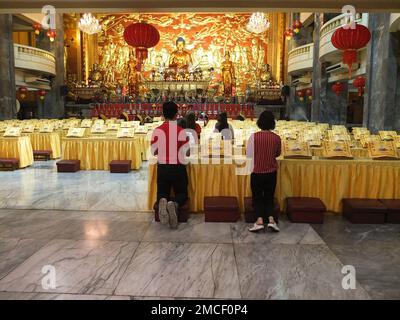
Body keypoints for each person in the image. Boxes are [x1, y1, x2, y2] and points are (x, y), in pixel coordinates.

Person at [151, 101, 189, 229]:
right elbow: (186, 152)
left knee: (162, 191)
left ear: (163, 113)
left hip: (162, 166)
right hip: (177, 167)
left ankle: (163, 200)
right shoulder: (180, 131)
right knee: (182, 193)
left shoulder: (157, 130)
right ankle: (176, 204)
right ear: (176, 114)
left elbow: (154, 151)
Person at [247, 111, 281, 233]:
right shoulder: (276, 138)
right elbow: (278, 153)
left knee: (257, 197)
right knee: (269, 197)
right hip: (271, 172)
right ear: (272, 123)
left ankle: (259, 221)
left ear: (259, 122)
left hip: (257, 171)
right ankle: (271, 220)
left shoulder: (253, 137)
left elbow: (249, 154)